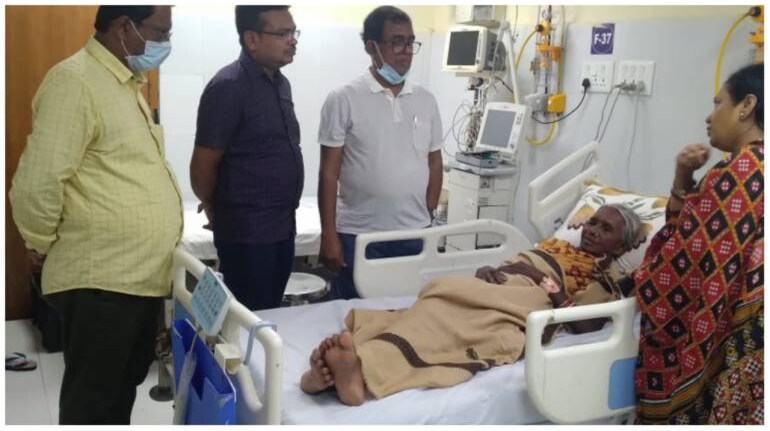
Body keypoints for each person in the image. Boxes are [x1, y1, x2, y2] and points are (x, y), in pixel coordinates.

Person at [9, 6, 180, 424]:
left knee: (117, 392)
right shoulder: (76, 81)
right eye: (160, 33)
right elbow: (36, 184)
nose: (165, 44)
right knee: (94, 404)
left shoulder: (123, 83)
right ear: (124, 28)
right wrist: (43, 244)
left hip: (133, 278)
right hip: (102, 279)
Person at [300, 204, 642, 406]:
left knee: (450, 327)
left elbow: (585, 324)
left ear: (620, 247)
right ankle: (343, 370)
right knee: (436, 300)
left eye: (606, 229)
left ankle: (359, 370)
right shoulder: (555, 245)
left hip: (520, 302)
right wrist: (490, 269)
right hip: (491, 285)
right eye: (593, 222)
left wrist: (542, 281)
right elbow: (517, 263)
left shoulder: (603, 276)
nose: (593, 230)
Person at [632, 63, 764, 425]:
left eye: (718, 103)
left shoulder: (738, 173)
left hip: (737, 346)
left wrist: (636, 282)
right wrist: (683, 175)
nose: (709, 116)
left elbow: (677, 273)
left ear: (746, 106)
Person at [318, 6, 443, 300]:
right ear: (370, 47)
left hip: (413, 234)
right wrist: (329, 235)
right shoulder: (344, 98)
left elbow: (435, 161)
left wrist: (428, 213)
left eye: (410, 42)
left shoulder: (425, 100)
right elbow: (328, 173)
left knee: (406, 310)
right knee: (353, 314)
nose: (406, 51)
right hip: (359, 234)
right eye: (396, 42)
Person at [190, 5, 303, 311]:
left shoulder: (280, 84)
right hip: (248, 233)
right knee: (249, 320)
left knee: (272, 314)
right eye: (283, 33)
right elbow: (203, 165)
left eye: (293, 32)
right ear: (251, 39)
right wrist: (216, 206)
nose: (292, 40)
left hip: (282, 226)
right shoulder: (229, 85)